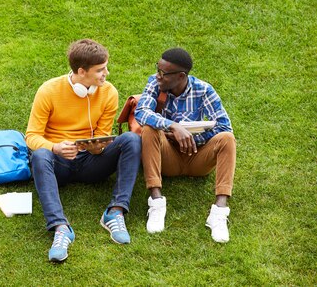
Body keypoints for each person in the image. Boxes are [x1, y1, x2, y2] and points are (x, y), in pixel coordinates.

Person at [25, 39, 141, 263]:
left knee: (131, 140)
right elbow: (31, 136)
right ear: (81, 71)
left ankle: (114, 212)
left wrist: (98, 149)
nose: (106, 73)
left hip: (90, 162)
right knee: (39, 155)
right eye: (100, 70)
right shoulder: (48, 91)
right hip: (58, 163)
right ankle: (60, 228)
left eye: (105, 67)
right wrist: (54, 148)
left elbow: (102, 133)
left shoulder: (109, 93)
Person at [134, 47, 236, 243]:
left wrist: (190, 138)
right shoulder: (154, 83)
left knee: (227, 139)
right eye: (158, 69)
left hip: (198, 158)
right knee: (148, 129)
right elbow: (141, 112)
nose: (158, 76)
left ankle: (219, 212)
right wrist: (174, 128)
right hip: (168, 158)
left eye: (163, 73)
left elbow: (225, 126)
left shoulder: (204, 90)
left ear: (181, 76)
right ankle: (156, 202)